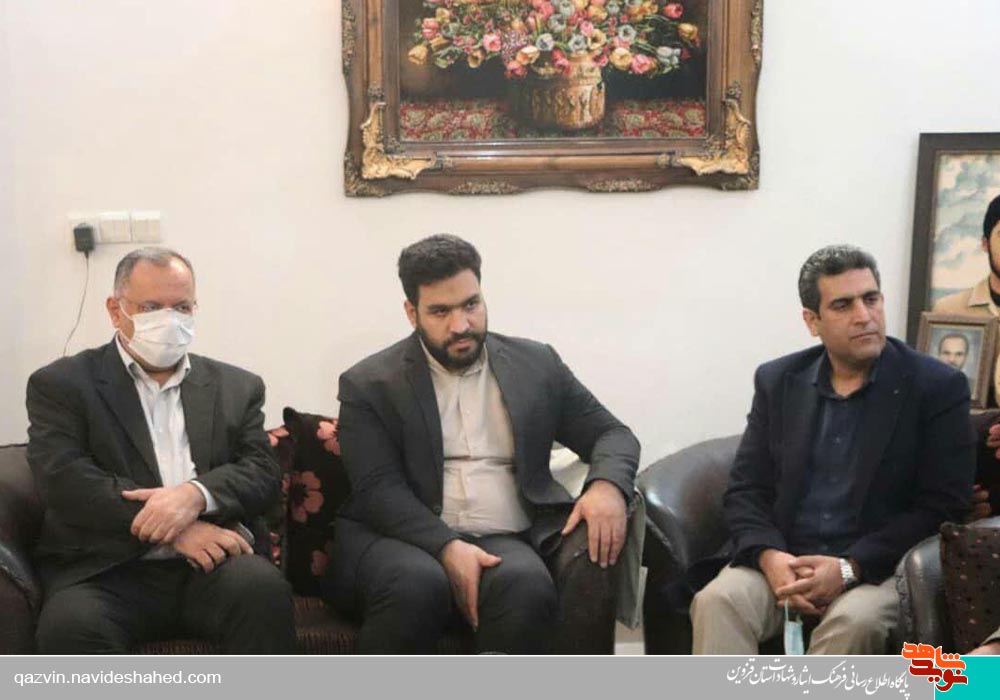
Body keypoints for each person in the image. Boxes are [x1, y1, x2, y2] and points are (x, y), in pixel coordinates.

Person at [322, 234, 640, 654]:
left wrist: (606, 486)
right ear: (412, 313)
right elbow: (379, 490)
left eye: (470, 304)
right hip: (396, 539)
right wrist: (447, 547)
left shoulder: (536, 366)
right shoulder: (370, 384)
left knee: (527, 585)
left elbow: (612, 434)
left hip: (502, 535)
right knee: (417, 584)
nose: (461, 325)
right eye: (440, 311)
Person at [690, 244, 976, 654]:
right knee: (717, 601)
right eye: (843, 305)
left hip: (877, 569)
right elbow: (746, 490)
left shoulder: (936, 387)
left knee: (853, 623)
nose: (864, 316)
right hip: (785, 560)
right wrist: (769, 557)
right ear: (812, 321)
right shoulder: (779, 381)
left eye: (871, 299)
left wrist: (848, 568)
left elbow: (943, 507)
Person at [26, 247, 296, 654]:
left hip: (214, 562)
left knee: (262, 592)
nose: (169, 320)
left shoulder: (237, 386)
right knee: (70, 626)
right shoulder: (62, 385)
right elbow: (63, 479)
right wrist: (177, 528)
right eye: (151, 308)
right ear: (116, 311)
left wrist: (194, 496)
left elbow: (262, 471)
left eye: (182, 307)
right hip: (109, 568)